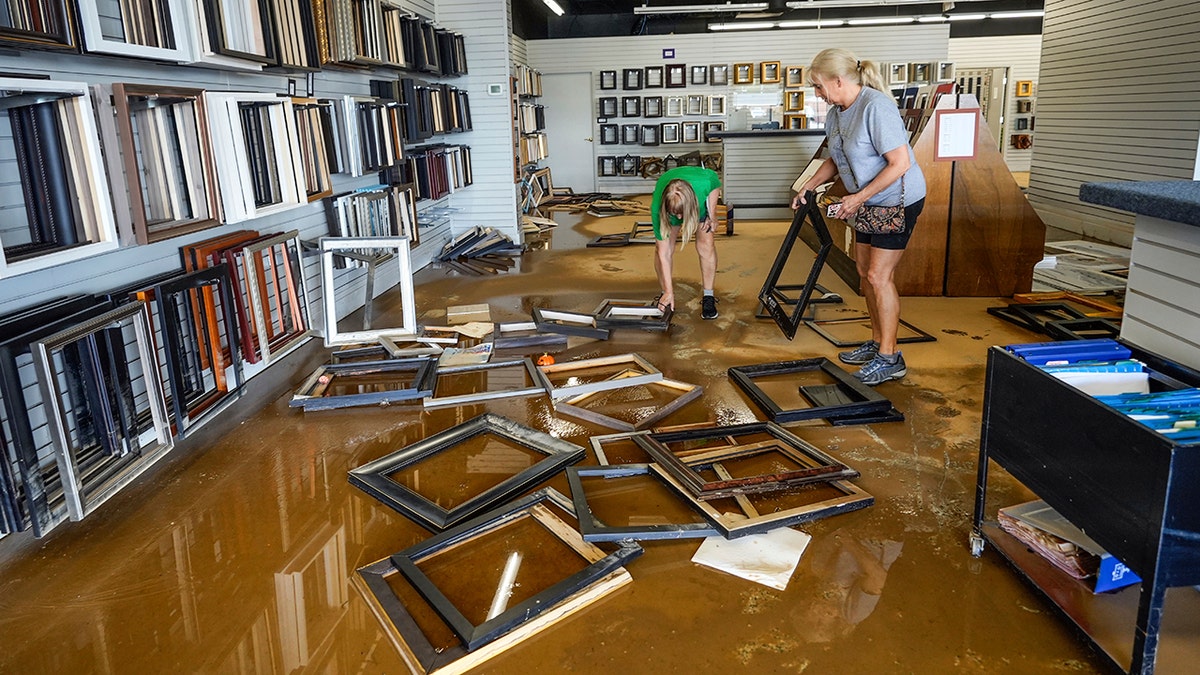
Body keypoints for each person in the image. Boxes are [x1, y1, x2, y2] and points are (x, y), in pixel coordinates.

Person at [792, 48, 927, 385]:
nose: (816, 94)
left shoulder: (876, 107)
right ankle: (880, 341)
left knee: (879, 276)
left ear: (838, 81)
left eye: (819, 86)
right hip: (866, 201)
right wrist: (808, 186)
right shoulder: (837, 112)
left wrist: (857, 199)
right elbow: (834, 158)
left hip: (896, 201)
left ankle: (889, 357)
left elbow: (900, 163)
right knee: (864, 273)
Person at [650, 165, 722, 320]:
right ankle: (665, 294)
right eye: (676, 214)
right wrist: (669, 291)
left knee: (706, 244)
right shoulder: (658, 208)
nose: (680, 219)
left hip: (695, 206)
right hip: (671, 208)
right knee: (661, 248)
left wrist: (712, 214)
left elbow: (715, 184)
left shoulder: (704, 183)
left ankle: (708, 296)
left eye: (681, 214)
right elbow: (664, 253)